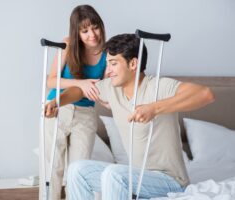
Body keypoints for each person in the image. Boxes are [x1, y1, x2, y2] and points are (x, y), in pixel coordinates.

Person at [45, 33, 215, 199]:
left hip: (170, 180)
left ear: (133, 64)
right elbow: (80, 90)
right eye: (107, 64)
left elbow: (205, 94)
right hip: (138, 177)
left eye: (113, 64)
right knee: (77, 170)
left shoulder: (158, 86)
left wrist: (154, 108)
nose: (108, 71)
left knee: (115, 173)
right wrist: (58, 101)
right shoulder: (111, 88)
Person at [40, 4, 107, 200]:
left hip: (86, 116)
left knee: (78, 173)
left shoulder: (108, 53)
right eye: (84, 31)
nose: (92, 34)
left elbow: (104, 88)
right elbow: (51, 80)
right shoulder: (68, 45)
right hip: (57, 109)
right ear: (76, 32)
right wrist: (81, 83)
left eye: (95, 27)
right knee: (52, 170)